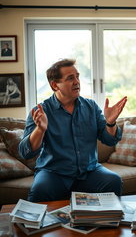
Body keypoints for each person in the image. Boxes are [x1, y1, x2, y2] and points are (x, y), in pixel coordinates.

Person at [19, 59, 127, 202]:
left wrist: (110, 123)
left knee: (113, 181)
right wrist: (40, 129)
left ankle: (104, 222)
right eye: (70, 78)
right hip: (54, 173)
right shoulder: (40, 111)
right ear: (54, 85)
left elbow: (109, 139)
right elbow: (25, 152)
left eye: (77, 76)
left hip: (89, 171)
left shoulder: (91, 107)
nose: (77, 81)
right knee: (40, 190)